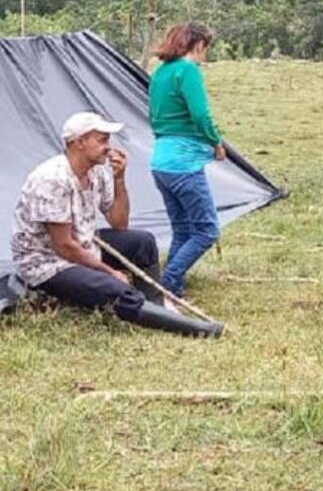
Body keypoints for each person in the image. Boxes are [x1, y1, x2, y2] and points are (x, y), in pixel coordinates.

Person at [9, 111, 223, 336]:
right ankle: (197, 330)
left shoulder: (98, 171)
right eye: (101, 140)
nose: (108, 146)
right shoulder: (52, 179)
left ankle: (156, 305)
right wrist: (108, 271)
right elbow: (63, 246)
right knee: (116, 289)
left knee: (143, 242)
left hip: (82, 243)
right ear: (79, 143)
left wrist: (119, 180)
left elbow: (119, 223)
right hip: (47, 262)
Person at [149, 22, 226, 297]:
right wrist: (215, 142)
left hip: (160, 161)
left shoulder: (160, 73)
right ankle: (168, 280)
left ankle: (173, 284)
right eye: (206, 48)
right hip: (184, 163)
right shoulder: (188, 70)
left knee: (181, 228)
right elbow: (200, 114)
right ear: (198, 45)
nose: (205, 55)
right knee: (206, 230)